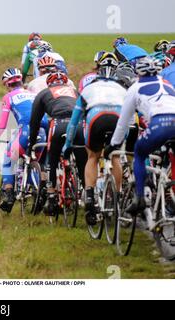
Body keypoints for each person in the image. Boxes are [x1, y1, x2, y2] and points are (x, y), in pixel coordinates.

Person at [105, 56, 175, 214]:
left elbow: (124, 122)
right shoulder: (167, 83)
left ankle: (140, 198)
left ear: (138, 71)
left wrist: (114, 144)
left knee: (139, 152)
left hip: (160, 122)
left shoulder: (134, 88)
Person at [63, 52, 126, 226]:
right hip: (117, 119)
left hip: (96, 119)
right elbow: (132, 116)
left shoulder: (88, 88)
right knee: (114, 156)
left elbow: (74, 122)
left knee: (92, 156)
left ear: (97, 70)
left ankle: (90, 197)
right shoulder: (122, 88)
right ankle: (117, 198)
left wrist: (67, 145)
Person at [29, 72, 87, 216]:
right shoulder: (75, 91)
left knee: (52, 158)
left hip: (59, 123)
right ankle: (89, 196)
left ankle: (51, 196)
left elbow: (34, 122)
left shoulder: (44, 93)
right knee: (83, 162)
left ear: (49, 84)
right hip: (79, 125)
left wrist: (31, 145)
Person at [0, 68, 47, 213]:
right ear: (21, 81)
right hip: (43, 132)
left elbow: (2, 125)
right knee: (35, 159)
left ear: (7, 84)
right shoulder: (34, 94)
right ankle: (38, 188)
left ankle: (9, 194)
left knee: (8, 157)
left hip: (26, 131)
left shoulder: (8, 97)